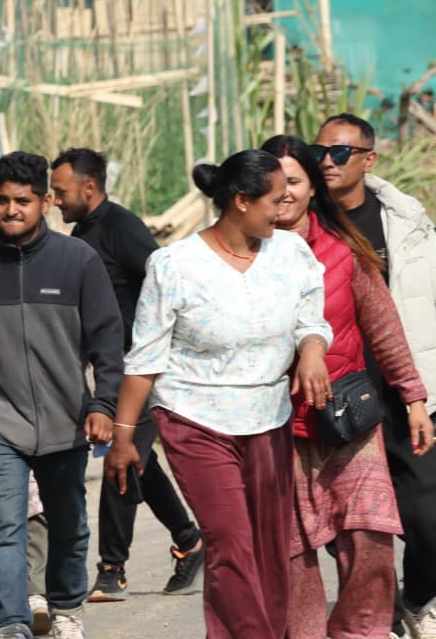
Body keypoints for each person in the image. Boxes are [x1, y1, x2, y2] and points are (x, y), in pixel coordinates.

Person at [106, 149, 333, 639]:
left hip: (267, 416)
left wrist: (312, 349)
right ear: (241, 201)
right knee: (230, 543)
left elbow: (311, 320)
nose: (286, 205)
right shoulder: (174, 265)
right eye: (275, 198)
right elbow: (145, 357)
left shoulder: (291, 254)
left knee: (270, 548)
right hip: (194, 419)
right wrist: (124, 435)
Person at [260, 134, 434, 638]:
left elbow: (385, 329)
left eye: (294, 181)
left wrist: (415, 401)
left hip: (348, 423)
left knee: (370, 542)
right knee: (292, 553)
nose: (285, 192)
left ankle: (363, 632)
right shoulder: (242, 254)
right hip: (275, 428)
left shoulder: (342, 253)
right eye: (274, 183)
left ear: (313, 188)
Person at [0, 150, 126, 639]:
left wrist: (103, 404)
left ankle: (66, 609)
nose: (10, 211)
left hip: (66, 420)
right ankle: (11, 620)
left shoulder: (78, 261)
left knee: (70, 524)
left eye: (23, 201)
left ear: (46, 201)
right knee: (4, 526)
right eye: (3, 201)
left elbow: (107, 341)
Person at [50, 148, 203, 601]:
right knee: (138, 459)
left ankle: (111, 568)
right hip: (114, 371)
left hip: (146, 371)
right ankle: (189, 540)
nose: (56, 200)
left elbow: (166, 280)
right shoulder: (83, 235)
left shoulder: (121, 228)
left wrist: (161, 349)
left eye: (60, 191)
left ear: (89, 187)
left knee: (121, 458)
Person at [314, 113, 436, 637]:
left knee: (428, 518)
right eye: (320, 151)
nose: (327, 161)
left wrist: (420, 388)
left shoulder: (406, 220)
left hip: (404, 389)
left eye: (340, 153)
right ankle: (372, 616)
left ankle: (418, 596)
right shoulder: (303, 220)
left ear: (368, 159)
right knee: (354, 525)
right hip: (335, 392)